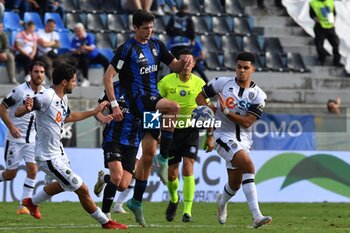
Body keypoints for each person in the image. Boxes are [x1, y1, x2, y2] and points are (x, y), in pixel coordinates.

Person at [103, 9, 193, 226]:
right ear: (135, 27)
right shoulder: (127, 49)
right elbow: (108, 77)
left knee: (148, 154)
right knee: (173, 107)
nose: (149, 32)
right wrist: (114, 104)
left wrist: (186, 61)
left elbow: (175, 67)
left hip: (150, 104)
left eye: (151, 28)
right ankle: (165, 158)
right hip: (137, 100)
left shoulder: (157, 45)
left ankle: (136, 201)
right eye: (145, 28)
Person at [15, 63, 127, 230]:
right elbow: (19, 111)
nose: (76, 84)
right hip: (48, 157)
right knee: (81, 188)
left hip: (59, 152)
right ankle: (106, 222)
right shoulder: (46, 96)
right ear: (64, 82)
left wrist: (95, 111)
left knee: (63, 184)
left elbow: (69, 116)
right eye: (74, 81)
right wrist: (26, 108)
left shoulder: (62, 98)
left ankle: (30, 202)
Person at [195, 52, 272, 228]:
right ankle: (257, 216)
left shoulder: (258, 95)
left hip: (244, 140)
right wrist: (210, 109)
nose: (241, 71)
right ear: (235, 67)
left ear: (253, 69)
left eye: (246, 68)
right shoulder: (222, 83)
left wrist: (227, 111)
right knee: (249, 166)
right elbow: (199, 96)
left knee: (235, 184)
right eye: (239, 67)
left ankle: (221, 203)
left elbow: (247, 122)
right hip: (223, 136)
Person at [157, 48, 214, 223]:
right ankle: (174, 199)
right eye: (183, 62)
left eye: (189, 63)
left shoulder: (199, 84)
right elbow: (153, 105)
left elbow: (208, 110)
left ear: (194, 64)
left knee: (188, 168)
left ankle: (187, 211)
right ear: (177, 64)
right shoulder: (166, 82)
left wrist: (210, 135)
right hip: (170, 132)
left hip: (191, 130)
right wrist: (156, 131)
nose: (186, 66)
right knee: (172, 175)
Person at [0, 61, 46, 215]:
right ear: (30, 73)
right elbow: (2, 107)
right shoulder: (20, 91)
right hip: (15, 140)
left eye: (41, 72)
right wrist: (11, 127)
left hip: (32, 140)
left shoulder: (44, 93)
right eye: (36, 71)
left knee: (33, 170)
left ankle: (23, 205)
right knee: (9, 175)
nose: (39, 75)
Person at [93, 80, 142, 219]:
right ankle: (105, 216)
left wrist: (157, 135)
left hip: (133, 143)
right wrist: (102, 118)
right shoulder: (113, 88)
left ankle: (104, 178)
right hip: (113, 139)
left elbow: (152, 114)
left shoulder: (146, 90)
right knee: (117, 176)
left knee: (122, 185)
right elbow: (98, 111)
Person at [71, 23, 109, 87]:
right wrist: (79, 50)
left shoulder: (88, 36)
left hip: (94, 55)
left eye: (79, 31)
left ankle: (106, 79)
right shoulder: (74, 39)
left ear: (83, 30)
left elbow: (92, 47)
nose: (78, 33)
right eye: (76, 31)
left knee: (106, 61)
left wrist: (85, 47)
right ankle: (86, 80)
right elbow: (73, 50)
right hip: (85, 57)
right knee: (84, 62)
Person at [310, 0, 342, 67]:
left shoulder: (330, 1)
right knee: (319, 45)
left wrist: (332, 21)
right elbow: (312, 15)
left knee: (336, 44)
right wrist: (319, 22)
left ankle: (337, 61)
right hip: (320, 27)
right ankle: (322, 59)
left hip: (330, 27)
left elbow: (334, 13)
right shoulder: (313, 3)